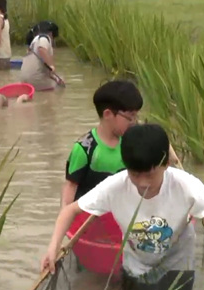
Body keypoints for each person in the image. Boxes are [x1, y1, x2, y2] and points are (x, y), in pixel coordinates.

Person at [41, 123, 204, 290]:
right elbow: (70, 211)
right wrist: (53, 246)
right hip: (136, 261)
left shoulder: (185, 185)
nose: (143, 183)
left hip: (177, 259)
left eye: (150, 175)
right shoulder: (115, 187)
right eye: (135, 175)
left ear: (165, 165)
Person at [61, 80, 143, 208]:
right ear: (108, 114)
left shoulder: (133, 143)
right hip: (90, 218)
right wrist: (65, 222)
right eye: (130, 117)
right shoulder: (85, 149)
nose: (134, 122)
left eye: (136, 116)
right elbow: (70, 188)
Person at [20, 21, 61, 91]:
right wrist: (51, 66)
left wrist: (54, 76)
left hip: (24, 79)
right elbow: (41, 49)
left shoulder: (35, 40)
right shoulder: (44, 38)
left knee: (57, 79)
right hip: (35, 79)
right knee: (59, 88)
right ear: (51, 34)